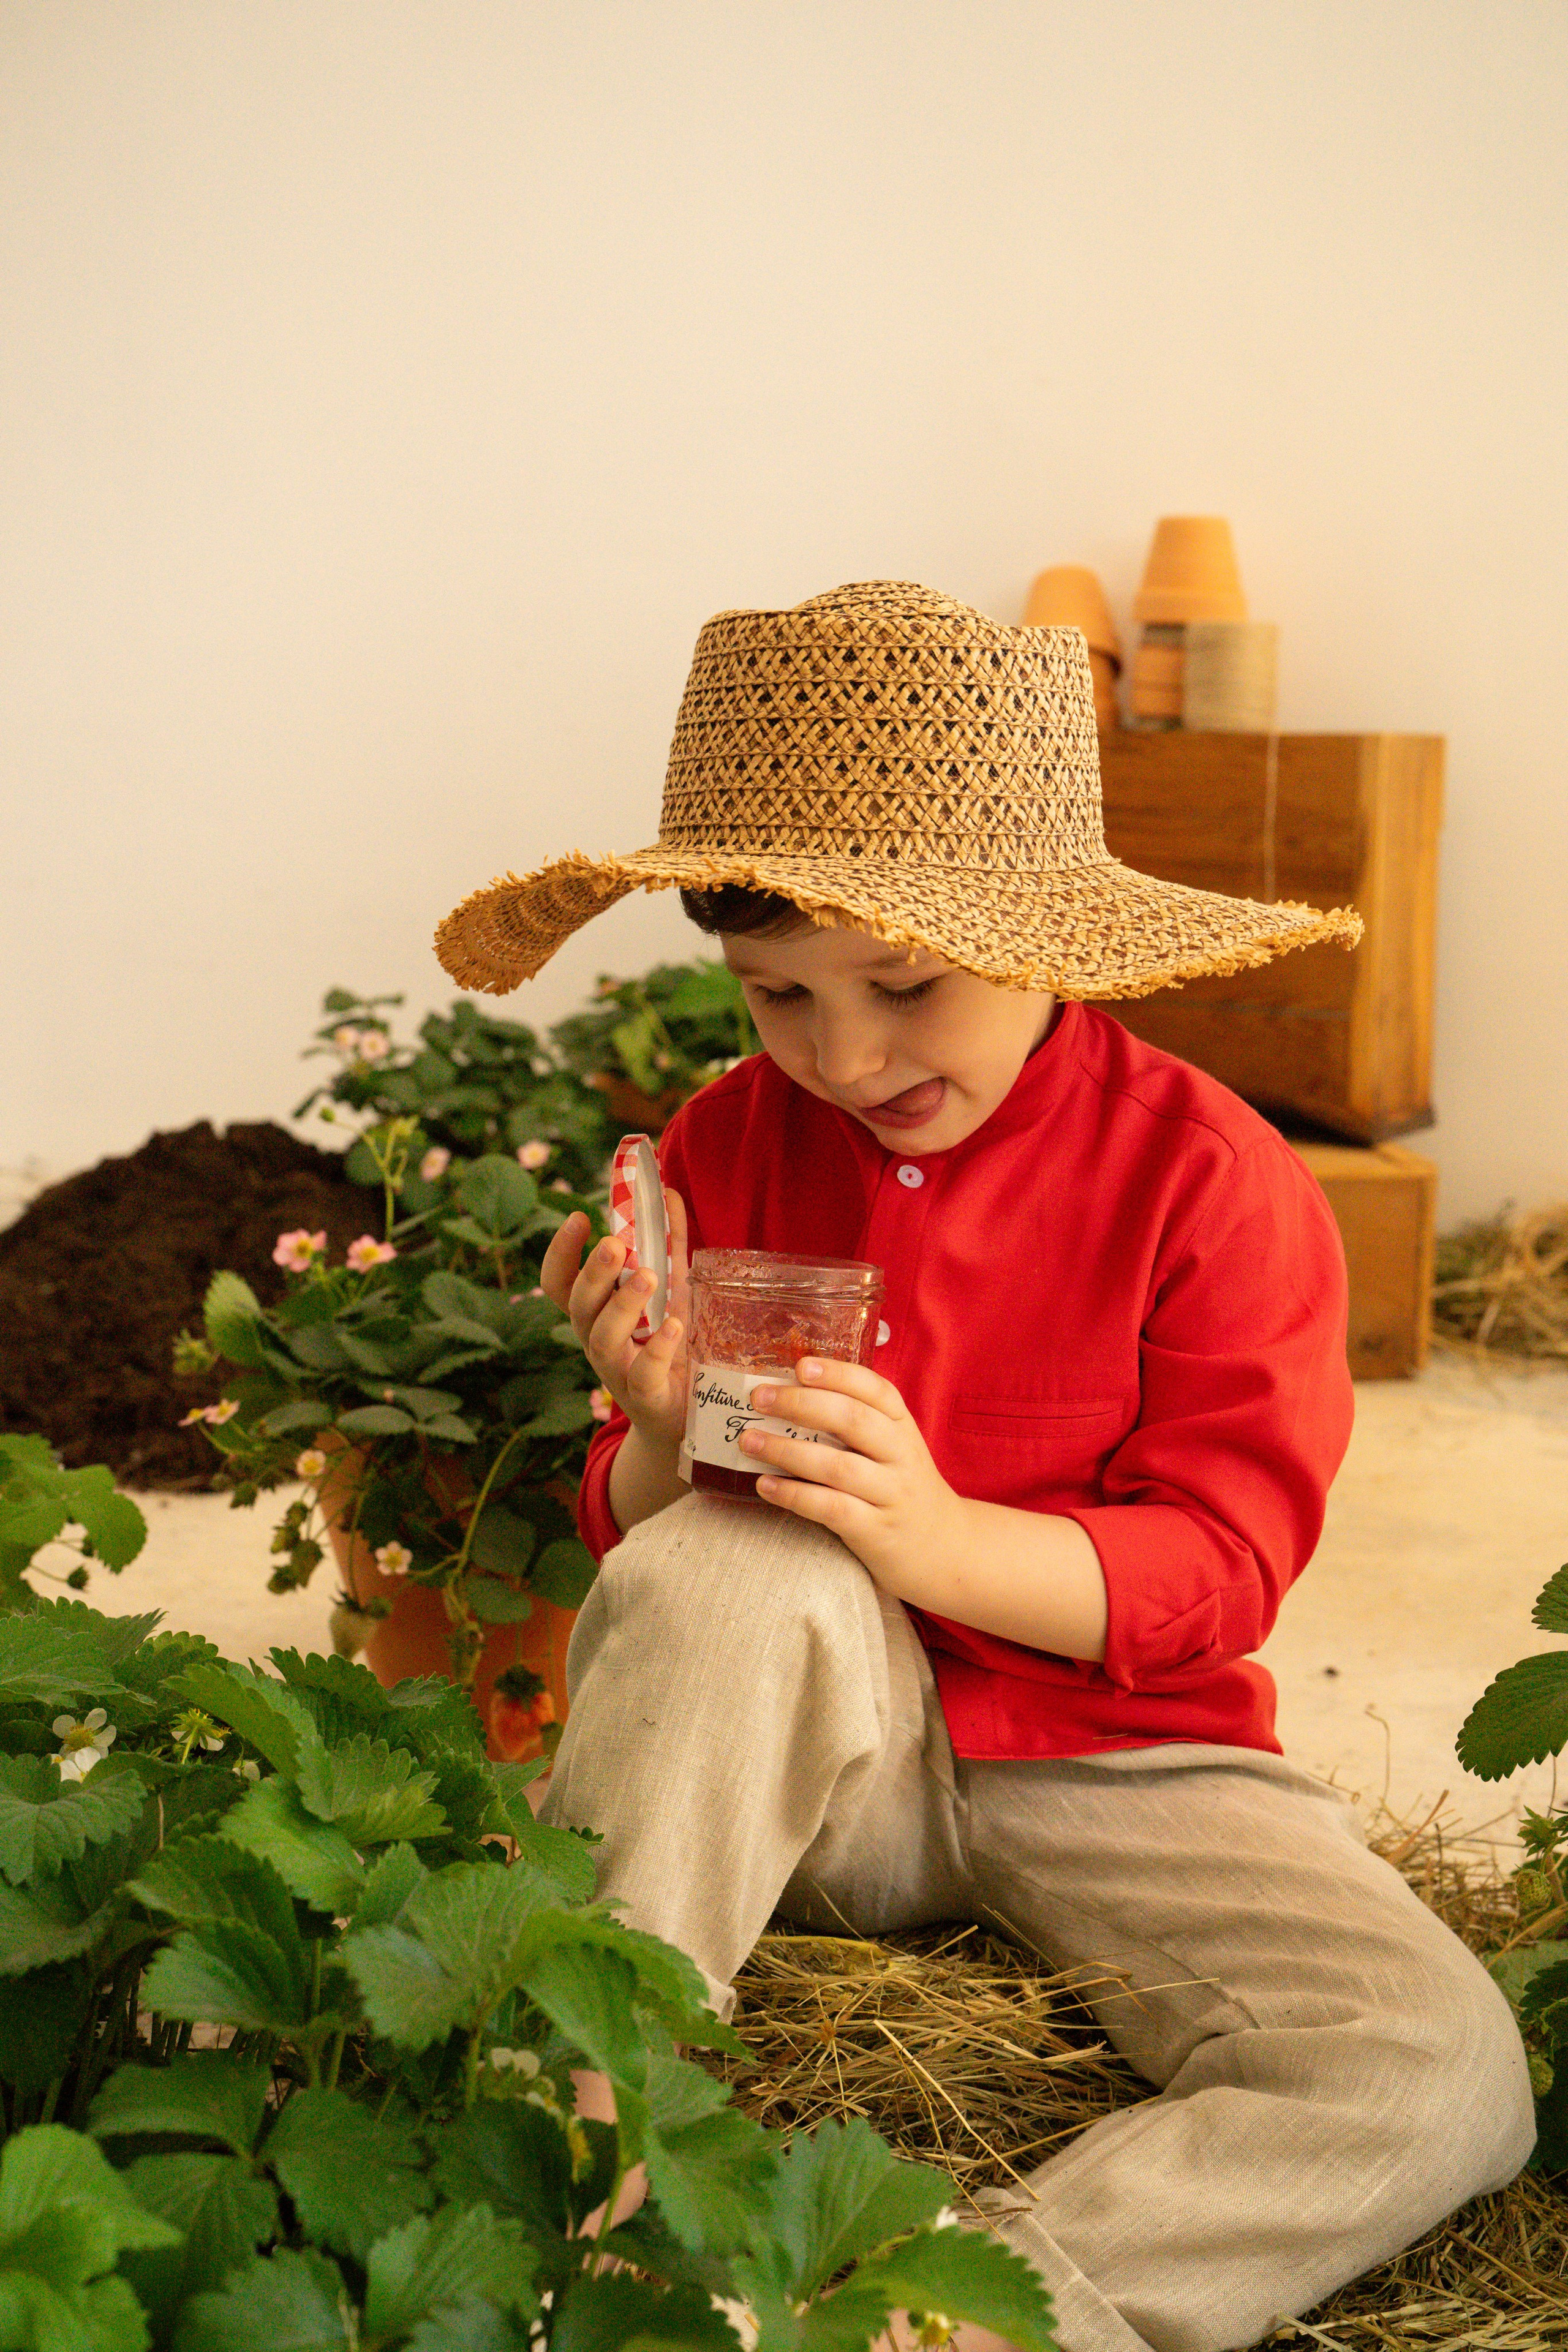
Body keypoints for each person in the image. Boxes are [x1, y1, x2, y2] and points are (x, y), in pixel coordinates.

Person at [435, 582, 1534, 2352]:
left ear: (1052, 935)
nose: (844, 1056)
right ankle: (571, 2167)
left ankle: (957, 2306)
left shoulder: (1210, 1181)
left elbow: (1217, 1576)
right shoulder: (731, 1139)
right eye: (777, 994)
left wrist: (938, 1535)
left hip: (1126, 1762)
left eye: (907, 986)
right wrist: (651, 1434)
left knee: (1442, 2079)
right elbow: (644, 1551)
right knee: (731, 1565)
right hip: (817, 1752)